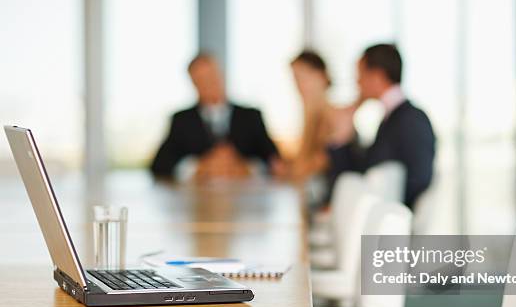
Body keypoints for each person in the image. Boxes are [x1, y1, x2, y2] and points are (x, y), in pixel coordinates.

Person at [327, 44, 435, 209]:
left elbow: (419, 180)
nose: (357, 82)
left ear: (377, 76)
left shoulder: (411, 120)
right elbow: (367, 168)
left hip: (392, 222)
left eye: (360, 75)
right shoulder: (393, 118)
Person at [150, 53, 280, 180]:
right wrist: (198, 167)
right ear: (193, 83)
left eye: (211, 76)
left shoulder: (251, 116)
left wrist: (247, 167)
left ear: (221, 75)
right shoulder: (181, 120)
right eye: (201, 79)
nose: (208, 84)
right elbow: (160, 165)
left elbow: (273, 160)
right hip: (198, 198)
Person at [284, 50, 333, 181]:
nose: (299, 85)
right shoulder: (311, 117)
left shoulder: (331, 117)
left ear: (322, 76)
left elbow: (317, 163)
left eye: (303, 77)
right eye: (295, 79)